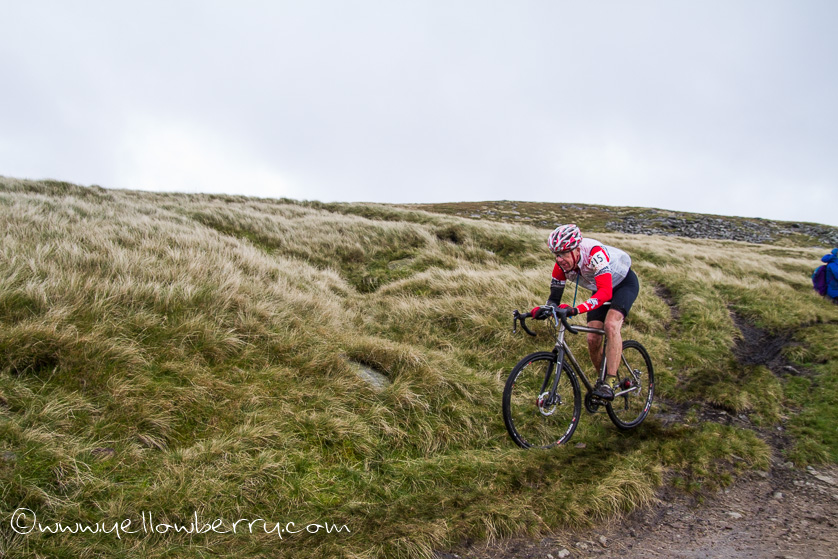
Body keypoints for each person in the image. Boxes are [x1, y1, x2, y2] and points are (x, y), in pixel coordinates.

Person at [531, 224, 640, 400]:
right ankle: (602, 381)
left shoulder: (595, 254)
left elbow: (605, 293)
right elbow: (553, 300)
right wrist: (540, 311)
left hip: (623, 284)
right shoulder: (561, 265)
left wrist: (575, 310)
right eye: (556, 254)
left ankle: (610, 382)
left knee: (611, 325)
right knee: (593, 338)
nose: (560, 259)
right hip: (601, 287)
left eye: (564, 253)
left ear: (577, 249)